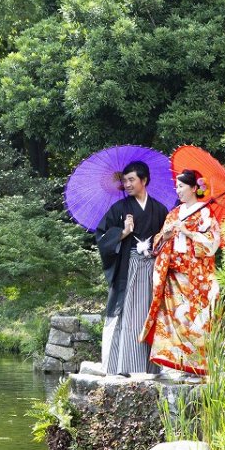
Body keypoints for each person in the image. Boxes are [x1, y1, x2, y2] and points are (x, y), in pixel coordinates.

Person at [140, 168, 222, 379]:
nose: (178, 190)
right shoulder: (174, 213)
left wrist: (189, 232)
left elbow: (213, 243)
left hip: (195, 278)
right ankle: (177, 364)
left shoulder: (205, 213)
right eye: (177, 186)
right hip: (173, 276)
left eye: (182, 186)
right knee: (173, 320)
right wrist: (165, 236)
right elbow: (158, 243)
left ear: (194, 188)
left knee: (195, 321)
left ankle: (197, 366)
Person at [94, 160, 168, 375]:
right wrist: (123, 232)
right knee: (128, 315)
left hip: (153, 268)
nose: (127, 184)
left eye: (131, 180)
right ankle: (123, 366)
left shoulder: (160, 209)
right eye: (125, 181)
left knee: (150, 314)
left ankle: (151, 368)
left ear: (144, 180)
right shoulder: (119, 208)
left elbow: (165, 242)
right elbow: (102, 237)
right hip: (129, 267)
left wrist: (163, 240)